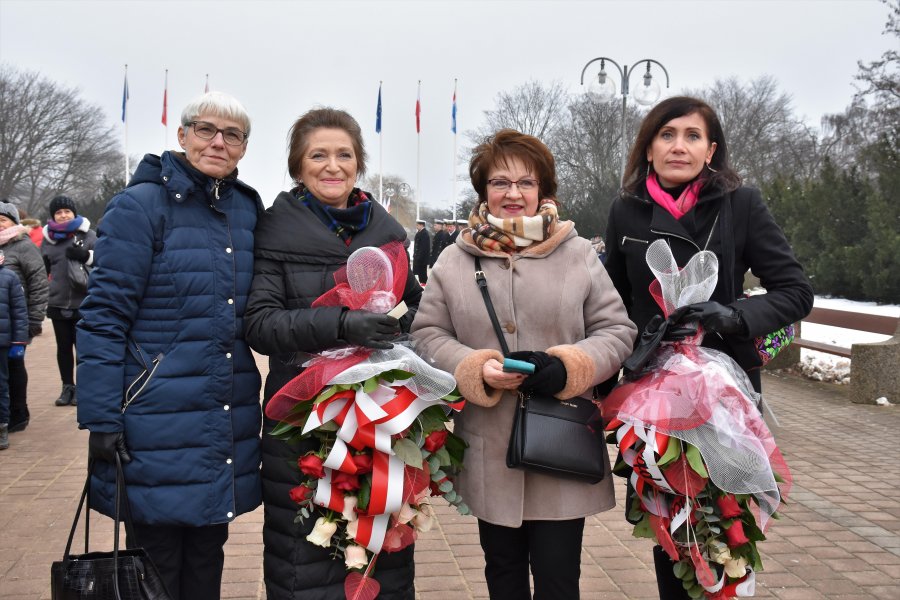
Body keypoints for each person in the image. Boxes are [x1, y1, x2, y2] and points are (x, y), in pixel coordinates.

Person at [411, 129, 637, 599]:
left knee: (558, 580)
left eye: (525, 182)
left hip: (561, 441)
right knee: (502, 574)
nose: (513, 193)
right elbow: (427, 335)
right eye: (499, 182)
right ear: (483, 191)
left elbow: (617, 331)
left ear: (543, 191)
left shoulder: (577, 254)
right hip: (490, 446)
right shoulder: (455, 259)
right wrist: (473, 368)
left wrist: (570, 366)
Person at [602, 96, 813, 600]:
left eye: (693, 136)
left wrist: (735, 316)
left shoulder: (741, 204)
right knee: (670, 529)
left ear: (711, 149)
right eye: (667, 134)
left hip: (725, 398)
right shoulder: (626, 211)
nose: (680, 145)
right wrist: (639, 342)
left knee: (728, 530)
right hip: (655, 402)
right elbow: (609, 302)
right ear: (649, 148)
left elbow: (795, 291)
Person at [76, 91, 263, 600]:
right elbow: (103, 317)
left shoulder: (245, 210)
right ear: (182, 136)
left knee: (207, 557)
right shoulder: (140, 206)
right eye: (206, 129)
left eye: (233, 135)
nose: (218, 143)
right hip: (153, 419)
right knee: (154, 568)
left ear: (244, 148)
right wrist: (100, 418)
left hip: (223, 417)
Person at [244, 107, 423, 600]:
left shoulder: (388, 235)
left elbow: (416, 309)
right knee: (306, 557)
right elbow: (260, 323)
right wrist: (341, 324)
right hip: (302, 419)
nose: (332, 166)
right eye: (318, 155)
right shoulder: (274, 232)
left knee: (382, 548)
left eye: (344, 155)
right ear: (298, 166)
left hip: (380, 418)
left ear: (358, 163)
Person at [41, 195, 96, 407]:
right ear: (53, 216)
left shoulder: (89, 235)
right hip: (57, 302)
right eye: (58, 212)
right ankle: (67, 387)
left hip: (85, 303)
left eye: (67, 211)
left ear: (74, 213)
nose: (63, 215)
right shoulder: (48, 240)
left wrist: (85, 255)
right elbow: (42, 270)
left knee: (83, 349)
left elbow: (106, 258)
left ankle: (83, 388)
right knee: (63, 348)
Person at [0, 201, 48, 432]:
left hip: (17, 319)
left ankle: (18, 412)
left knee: (14, 365)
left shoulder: (23, 246)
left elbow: (38, 284)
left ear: (13, 221)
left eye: (3, 219)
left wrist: (35, 319)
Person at [0, 250, 28, 450]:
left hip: (2, 342)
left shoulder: (9, 276)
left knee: (1, 385)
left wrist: (19, 342)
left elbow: (19, 312)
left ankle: (2, 426)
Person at [412, 218, 431, 284]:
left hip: (422, 258)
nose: (416, 226)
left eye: (417, 225)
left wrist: (419, 257)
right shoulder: (419, 233)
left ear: (421, 225)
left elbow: (423, 247)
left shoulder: (424, 233)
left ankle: (424, 283)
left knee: (422, 272)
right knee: (419, 272)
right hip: (418, 257)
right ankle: (422, 282)